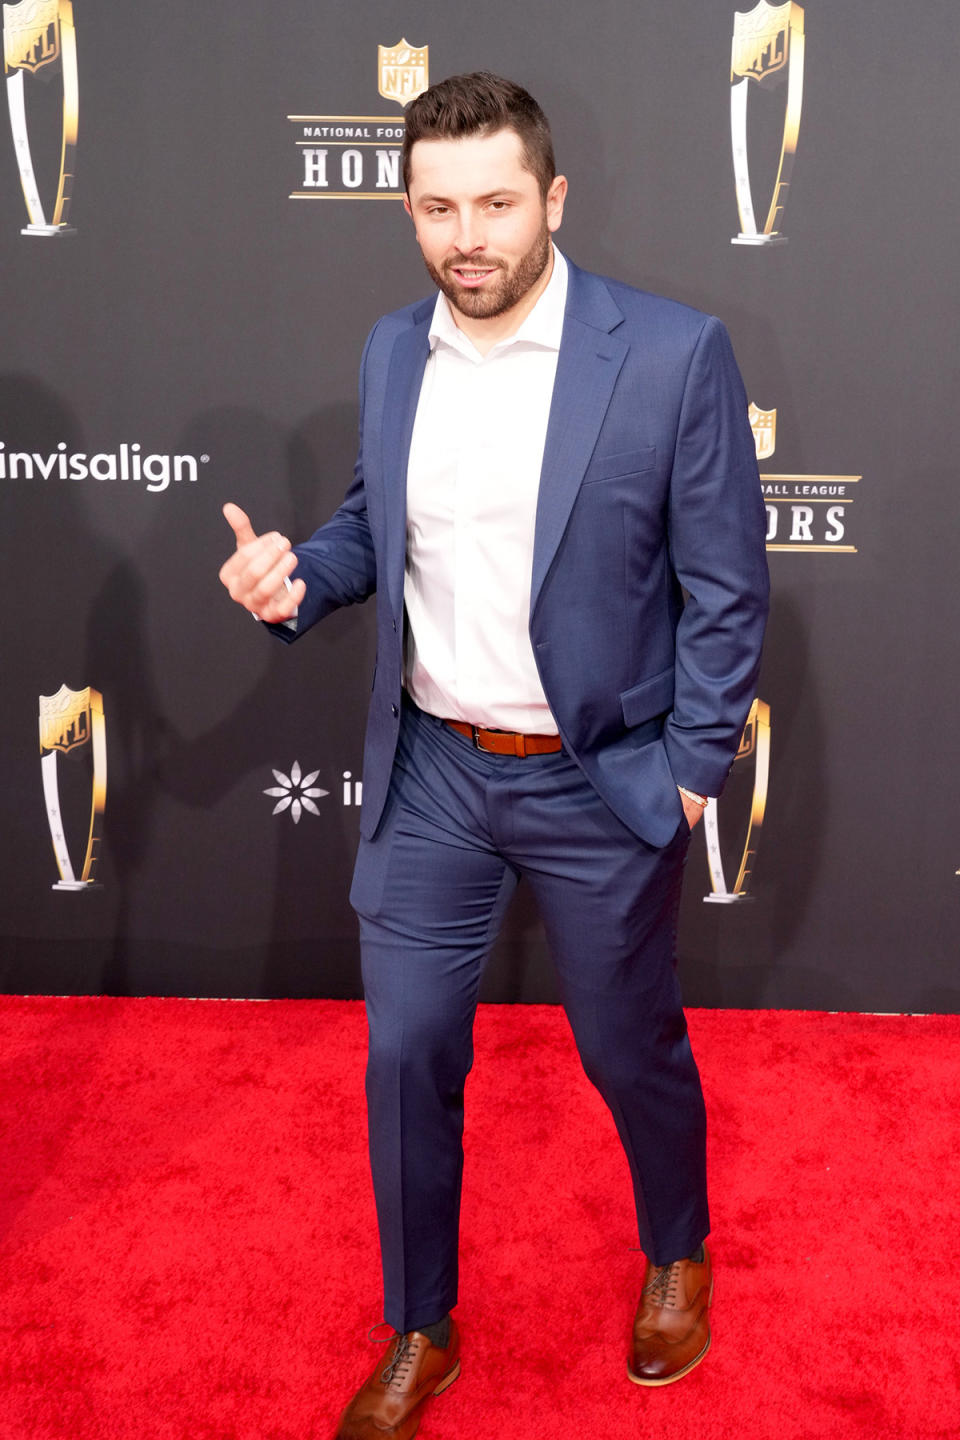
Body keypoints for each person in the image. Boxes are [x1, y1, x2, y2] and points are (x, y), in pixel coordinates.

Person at [219, 71, 768, 1439]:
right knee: (405, 1050)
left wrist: (690, 771)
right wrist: (303, 578)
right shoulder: (393, 349)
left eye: (496, 205)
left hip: (599, 778)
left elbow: (731, 589)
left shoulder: (669, 354)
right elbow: (370, 526)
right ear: (409, 210)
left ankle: (676, 1247)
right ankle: (419, 1325)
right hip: (435, 774)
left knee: (626, 1044)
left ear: (553, 200)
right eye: (436, 208)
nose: (468, 236)